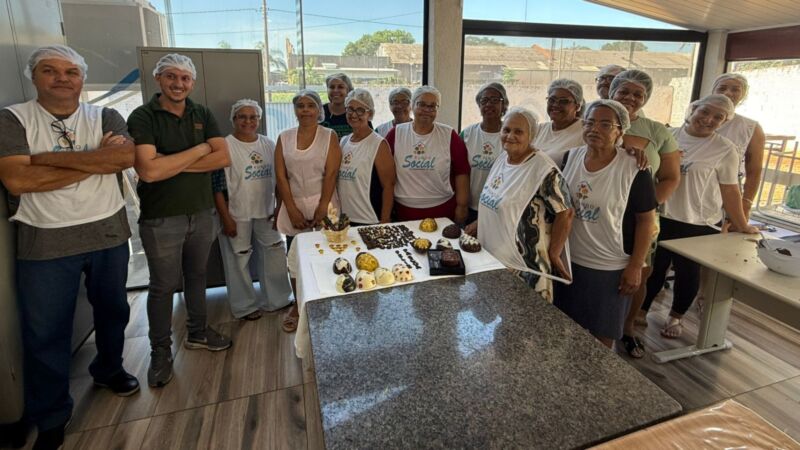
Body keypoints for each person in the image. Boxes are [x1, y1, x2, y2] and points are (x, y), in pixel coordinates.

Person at [0, 45, 137, 449]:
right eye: (50, 70)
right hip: (45, 237)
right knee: (46, 331)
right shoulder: (14, 119)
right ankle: (52, 415)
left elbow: (123, 158)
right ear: (34, 76)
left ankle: (109, 369)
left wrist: (45, 161)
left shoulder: (104, 115)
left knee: (113, 310)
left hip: (107, 231)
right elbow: (18, 181)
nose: (62, 78)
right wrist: (96, 159)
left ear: (82, 78)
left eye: (71, 71)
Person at [128, 53, 232, 388]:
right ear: (158, 78)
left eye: (185, 78)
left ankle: (198, 333)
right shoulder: (143, 116)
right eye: (171, 76)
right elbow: (148, 171)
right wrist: (199, 150)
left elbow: (223, 156)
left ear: (193, 82)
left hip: (201, 212)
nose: (178, 83)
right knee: (162, 286)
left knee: (197, 275)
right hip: (161, 218)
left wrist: (168, 162)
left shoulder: (202, 113)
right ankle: (160, 352)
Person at [642, 94, 759, 338]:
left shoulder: (725, 149)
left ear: (724, 122)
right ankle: (641, 311)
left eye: (718, 117)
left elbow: (730, 190)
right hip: (662, 215)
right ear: (693, 109)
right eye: (704, 112)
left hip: (699, 221)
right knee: (653, 268)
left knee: (687, 273)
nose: (708, 119)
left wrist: (742, 224)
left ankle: (676, 317)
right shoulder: (668, 136)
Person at [555, 100, 657, 348]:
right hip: (568, 260)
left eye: (605, 124)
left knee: (602, 336)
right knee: (564, 326)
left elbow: (646, 222)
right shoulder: (570, 157)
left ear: (620, 130)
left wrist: (636, 266)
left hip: (608, 267)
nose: (594, 129)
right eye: (589, 122)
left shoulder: (634, 168)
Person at [609, 69, 681, 357]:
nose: (630, 97)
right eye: (624, 91)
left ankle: (627, 327)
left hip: (642, 217)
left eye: (638, 94)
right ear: (612, 92)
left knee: (638, 271)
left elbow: (670, 177)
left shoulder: (656, 131)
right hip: (599, 212)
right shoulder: (596, 119)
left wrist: (646, 206)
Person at [468, 107, 573, 302]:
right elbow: (495, 199)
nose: (510, 136)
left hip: (525, 267)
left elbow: (565, 212)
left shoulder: (543, 170)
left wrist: (555, 253)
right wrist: (478, 223)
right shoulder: (502, 158)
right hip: (492, 259)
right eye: (506, 130)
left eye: (518, 131)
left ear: (531, 135)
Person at [212, 99, 292, 320]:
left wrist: (279, 208)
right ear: (233, 119)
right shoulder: (225, 146)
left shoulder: (269, 144)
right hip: (236, 214)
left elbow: (280, 180)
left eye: (253, 117)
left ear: (259, 119)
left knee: (274, 253)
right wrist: (226, 218)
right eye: (242, 117)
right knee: (237, 260)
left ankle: (278, 300)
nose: (248, 121)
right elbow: (216, 187)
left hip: (266, 211)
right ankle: (245, 307)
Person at [276, 89, 341, 332]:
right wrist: (291, 209)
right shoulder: (284, 137)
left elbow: (331, 174)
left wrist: (323, 206)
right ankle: (298, 305)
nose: (305, 110)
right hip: (293, 205)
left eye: (310, 105)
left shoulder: (329, 136)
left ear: (318, 110)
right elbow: (281, 177)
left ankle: (325, 301)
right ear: (294, 110)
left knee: (327, 256)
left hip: (325, 204)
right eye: (300, 105)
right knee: (295, 260)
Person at [385, 85, 471, 224]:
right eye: (422, 104)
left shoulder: (449, 135)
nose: (427, 110)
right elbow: (386, 176)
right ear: (412, 106)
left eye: (432, 106)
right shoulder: (396, 133)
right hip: (403, 211)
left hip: (443, 211)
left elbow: (462, 172)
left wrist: (462, 206)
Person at [338, 88, 395, 225]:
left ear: (370, 114)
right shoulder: (344, 141)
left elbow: (389, 185)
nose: (354, 114)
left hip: (369, 219)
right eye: (350, 109)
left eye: (360, 110)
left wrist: (385, 220)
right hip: (345, 219)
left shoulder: (378, 144)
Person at [712, 73, 766, 218]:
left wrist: (746, 204)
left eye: (735, 89)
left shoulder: (750, 128)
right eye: (722, 88)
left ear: (743, 95)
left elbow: (754, 171)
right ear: (713, 91)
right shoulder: (697, 120)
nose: (728, 93)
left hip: (727, 191)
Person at [460, 82, 508, 224]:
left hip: (499, 208)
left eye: (495, 100)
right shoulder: (467, 134)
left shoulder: (510, 135)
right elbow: (458, 172)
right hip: (470, 206)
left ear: (504, 105)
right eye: (484, 100)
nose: (489, 104)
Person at [534, 78, 585, 166]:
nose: (555, 105)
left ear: (577, 107)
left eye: (563, 101)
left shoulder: (585, 132)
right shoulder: (539, 129)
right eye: (552, 100)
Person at [321, 72, 356, 138]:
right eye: (332, 87)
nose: (335, 90)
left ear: (348, 90)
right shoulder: (319, 112)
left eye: (340, 87)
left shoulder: (358, 111)